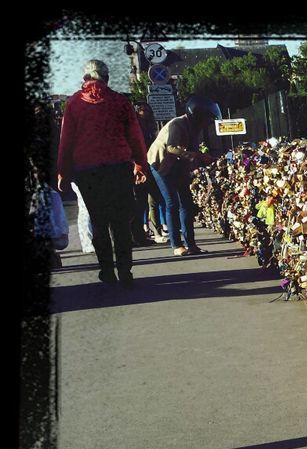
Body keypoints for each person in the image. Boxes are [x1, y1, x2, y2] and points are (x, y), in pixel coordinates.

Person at [56, 59, 148, 287]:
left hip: (87, 171)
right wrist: (140, 164)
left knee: (98, 221)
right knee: (120, 222)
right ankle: (125, 271)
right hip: (118, 167)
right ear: (106, 78)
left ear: (85, 79)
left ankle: (107, 270)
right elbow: (135, 136)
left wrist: (63, 172)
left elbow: (66, 141)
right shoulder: (120, 102)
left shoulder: (74, 104)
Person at [149, 95, 220, 256]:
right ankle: (177, 245)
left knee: (186, 203)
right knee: (172, 203)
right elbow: (171, 148)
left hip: (177, 166)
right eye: (207, 119)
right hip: (160, 165)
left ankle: (191, 244)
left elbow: (191, 150)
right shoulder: (178, 124)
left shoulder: (194, 127)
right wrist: (196, 157)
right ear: (198, 115)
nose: (207, 123)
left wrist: (200, 160)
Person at [133, 102, 168, 244]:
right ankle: (143, 231)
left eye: (146, 110)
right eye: (141, 110)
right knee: (141, 202)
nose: (144, 113)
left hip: (151, 165)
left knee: (154, 199)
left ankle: (157, 230)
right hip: (139, 167)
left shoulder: (150, 128)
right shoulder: (135, 129)